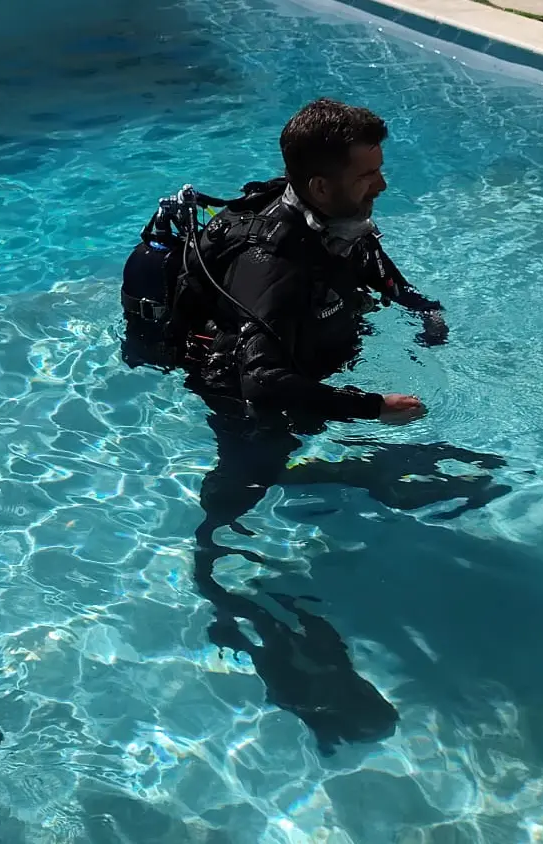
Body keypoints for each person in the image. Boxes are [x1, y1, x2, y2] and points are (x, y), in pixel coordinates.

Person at [118, 99, 515, 752]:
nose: (382, 184)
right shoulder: (272, 262)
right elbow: (258, 382)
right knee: (234, 503)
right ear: (322, 186)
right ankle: (248, 626)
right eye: (369, 175)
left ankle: (351, 474)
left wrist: (422, 309)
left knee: (287, 458)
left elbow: (373, 267)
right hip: (243, 395)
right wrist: (370, 407)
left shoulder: (338, 216)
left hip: (299, 362)